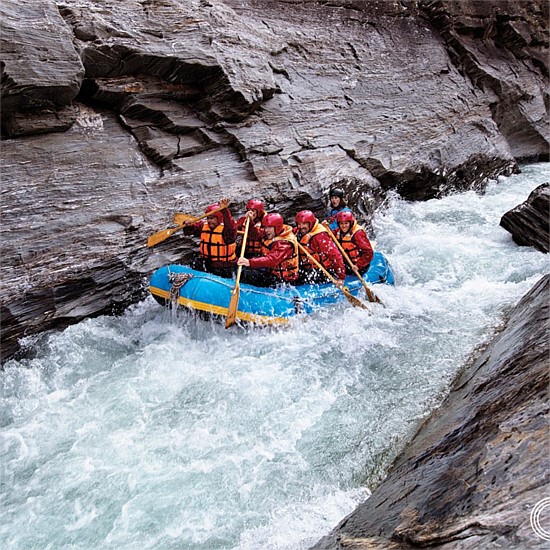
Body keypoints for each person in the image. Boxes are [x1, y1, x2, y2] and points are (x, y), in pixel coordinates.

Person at [237, 213, 299, 287]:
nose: (266, 230)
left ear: (277, 227)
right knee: (244, 271)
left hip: (284, 280)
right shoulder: (271, 233)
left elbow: (272, 260)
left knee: (248, 274)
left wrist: (249, 262)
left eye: (269, 228)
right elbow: (255, 235)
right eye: (265, 227)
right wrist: (250, 222)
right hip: (271, 271)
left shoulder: (285, 243)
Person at [182, 198, 237, 279]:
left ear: (219, 219)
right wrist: (188, 225)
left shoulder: (226, 231)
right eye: (208, 218)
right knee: (196, 261)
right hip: (209, 263)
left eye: (212, 218)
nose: (209, 221)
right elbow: (190, 231)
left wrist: (225, 210)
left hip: (224, 267)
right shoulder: (203, 226)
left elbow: (230, 227)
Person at [294, 210, 346, 287]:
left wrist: (341, 277)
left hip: (324, 271)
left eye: (304, 223)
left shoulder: (320, 236)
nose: (301, 227)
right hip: (308, 268)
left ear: (310, 223)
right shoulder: (300, 231)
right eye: (299, 224)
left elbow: (335, 256)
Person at [334, 210, 374, 275]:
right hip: (347, 262)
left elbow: (369, 253)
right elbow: (328, 235)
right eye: (341, 223)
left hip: (360, 265)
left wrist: (358, 266)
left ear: (350, 223)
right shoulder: (338, 231)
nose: (344, 226)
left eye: (346, 223)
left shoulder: (357, 234)